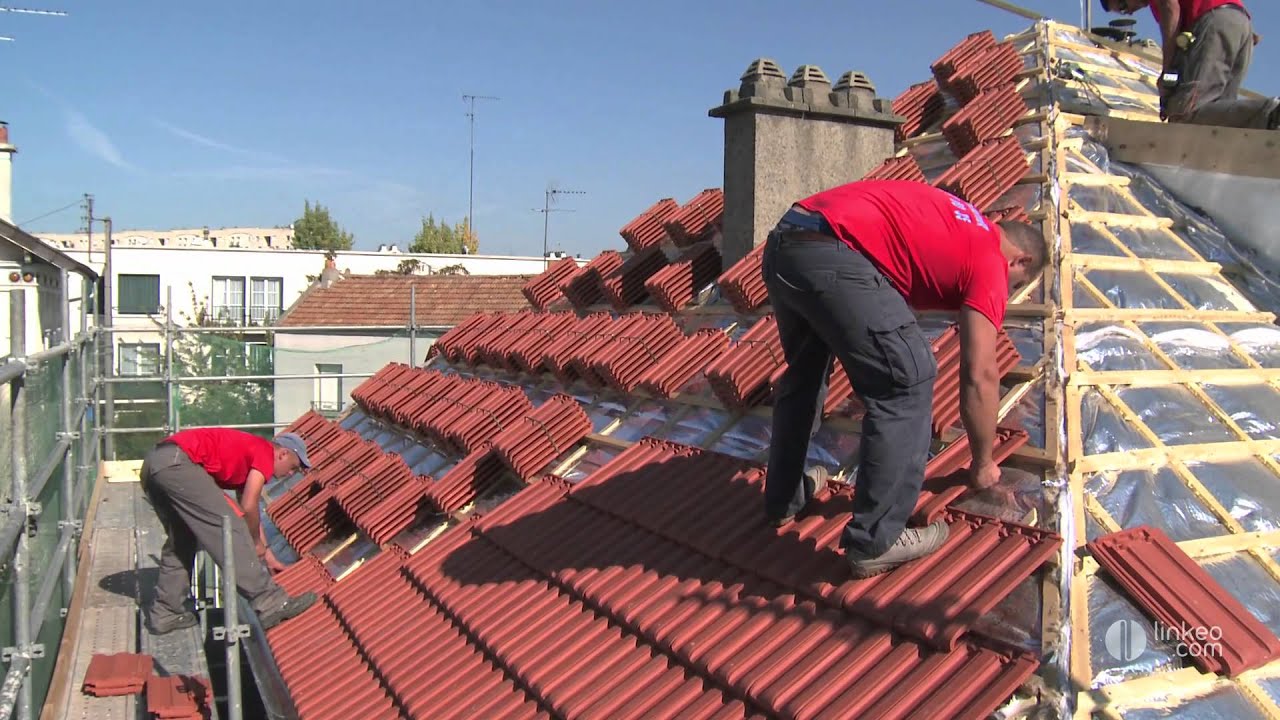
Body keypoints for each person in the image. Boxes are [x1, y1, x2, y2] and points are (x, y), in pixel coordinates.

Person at [761, 179, 1047, 578]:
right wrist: (983, 462)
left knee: (806, 375)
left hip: (786, 244)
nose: (1006, 292)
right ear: (1021, 261)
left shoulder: (961, 223)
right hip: (834, 253)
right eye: (1015, 285)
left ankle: (784, 498)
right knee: (908, 379)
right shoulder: (990, 260)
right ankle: (877, 540)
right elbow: (980, 373)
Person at [140, 428, 318, 634]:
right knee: (227, 528)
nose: (290, 474)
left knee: (182, 540)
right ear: (283, 454)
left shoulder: (248, 456)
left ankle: (165, 612)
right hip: (177, 463)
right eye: (293, 467)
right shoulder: (264, 451)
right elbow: (248, 509)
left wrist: (266, 554)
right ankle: (270, 602)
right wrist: (255, 542)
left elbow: (248, 510)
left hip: (156, 464)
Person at [1101, 0, 1279, 129]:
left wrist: (1168, 70)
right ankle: (1271, 118)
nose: (1129, 12)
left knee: (1186, 115)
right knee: (1221, 126)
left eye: (1123, 6)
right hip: (1239, 22)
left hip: (1214, 22)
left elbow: (1170, 7)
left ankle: (1273, 113)